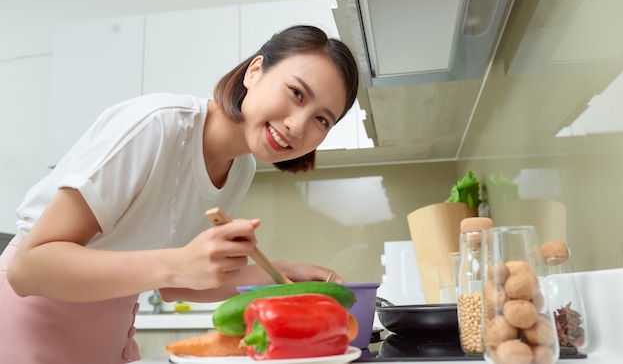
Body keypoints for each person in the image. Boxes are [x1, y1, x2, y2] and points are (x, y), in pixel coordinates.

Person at [0, 25, 360, 363]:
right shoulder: (157, 126)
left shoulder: (240, 168)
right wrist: (177, 264)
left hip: (106, 333)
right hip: (31, 321)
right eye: (296, 93)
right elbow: (29, 269)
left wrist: (283, 271)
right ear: (255, 71)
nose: (297, 126)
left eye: (321, 120)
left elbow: (180, 286)